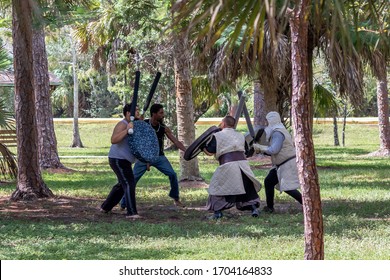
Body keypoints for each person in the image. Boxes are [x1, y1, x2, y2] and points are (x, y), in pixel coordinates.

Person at [120, 103, 186, 209]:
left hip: (159, 157)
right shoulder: (143, 124)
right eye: (161, 113)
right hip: (143, 158)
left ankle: (176, 199)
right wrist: (146, 161)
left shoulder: (163, 128)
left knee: (172, 174)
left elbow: (176, 141)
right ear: (153, 114)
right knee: (133, 179)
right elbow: (132, 130)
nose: (163, 115)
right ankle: (124, 203)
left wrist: (186, 151)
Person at [203, 115, 261, 219]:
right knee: (247, 187)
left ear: (224, 124)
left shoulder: (218, 135)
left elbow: (210, 152)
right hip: (243, 164)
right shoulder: (240, 135)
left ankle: (217, 213)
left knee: (217, 187)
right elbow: (247, 152)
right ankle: (254, 209)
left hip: (228, 164)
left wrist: (202, 147)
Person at [253, 111, 302, 213]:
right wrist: (260, 150)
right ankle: (270, 207)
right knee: (269, 181)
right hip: (281, 164)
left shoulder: (277, 133)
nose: (266, 124)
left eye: (267, 121)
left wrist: (261, 148)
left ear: (271, 121)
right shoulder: (278, 130)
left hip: (287, 163)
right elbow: (274, 152)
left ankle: (307, 204)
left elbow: (274, 150)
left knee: (288, 187)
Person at [100, 104, 141, 219]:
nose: (137, 113)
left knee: (122, 185)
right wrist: (127, 130)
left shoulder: (135, 124)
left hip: (126, 160)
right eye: (135, 111)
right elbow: (113, 140)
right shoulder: (122, 124)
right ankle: (132, 213)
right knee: (129, 183)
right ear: (128, 113)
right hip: (118, 159)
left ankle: (105, 207)